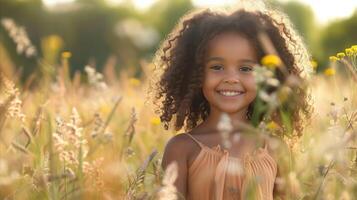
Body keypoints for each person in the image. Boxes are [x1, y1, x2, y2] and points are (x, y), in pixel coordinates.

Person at [150, 3, 312, 200]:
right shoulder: (181, 148)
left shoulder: (275, 148)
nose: (231, 78)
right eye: (217, 67)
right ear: (195, 73)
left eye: (245, 69)